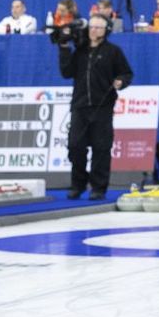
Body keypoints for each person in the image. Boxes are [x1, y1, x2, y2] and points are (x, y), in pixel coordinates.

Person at [57, 14, 133, 200]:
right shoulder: (80, 51)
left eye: (98, 27)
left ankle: (98, 188)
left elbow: (126, 73)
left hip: (103, 106)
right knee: (75, 146)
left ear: (106, 30)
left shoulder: (113, 51)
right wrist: (64, 48)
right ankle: (78, 184)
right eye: (92, 27)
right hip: (80, 106)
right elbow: (67, 73)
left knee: (101, 148)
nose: (94, 30)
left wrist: (121, 81)